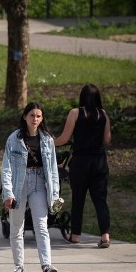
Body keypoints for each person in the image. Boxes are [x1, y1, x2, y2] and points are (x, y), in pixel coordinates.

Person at [1, 102, 62, 272]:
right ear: (25, 117)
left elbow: (52, 170)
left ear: (42, 118)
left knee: (41, 225)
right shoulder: (14, 139)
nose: (35, 119)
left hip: (39, 183)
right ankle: (18, 266)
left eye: (38, 116)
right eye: (32, 115)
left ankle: (46, 265)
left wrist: (55, 195)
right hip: (19, 184)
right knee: (17, 226)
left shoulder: (47, 140)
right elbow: (6, 167)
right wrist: (8, 193)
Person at [54, 84, 112, 247]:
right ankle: (105, 235)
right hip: (99, 162)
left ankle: (75, 235)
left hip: (80, 162)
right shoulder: (103, 114)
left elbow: (65, 138)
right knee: (100, 199)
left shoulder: (75, 113)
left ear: (82, 97)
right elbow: (107, 139)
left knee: (78, 198)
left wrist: (49, 142)